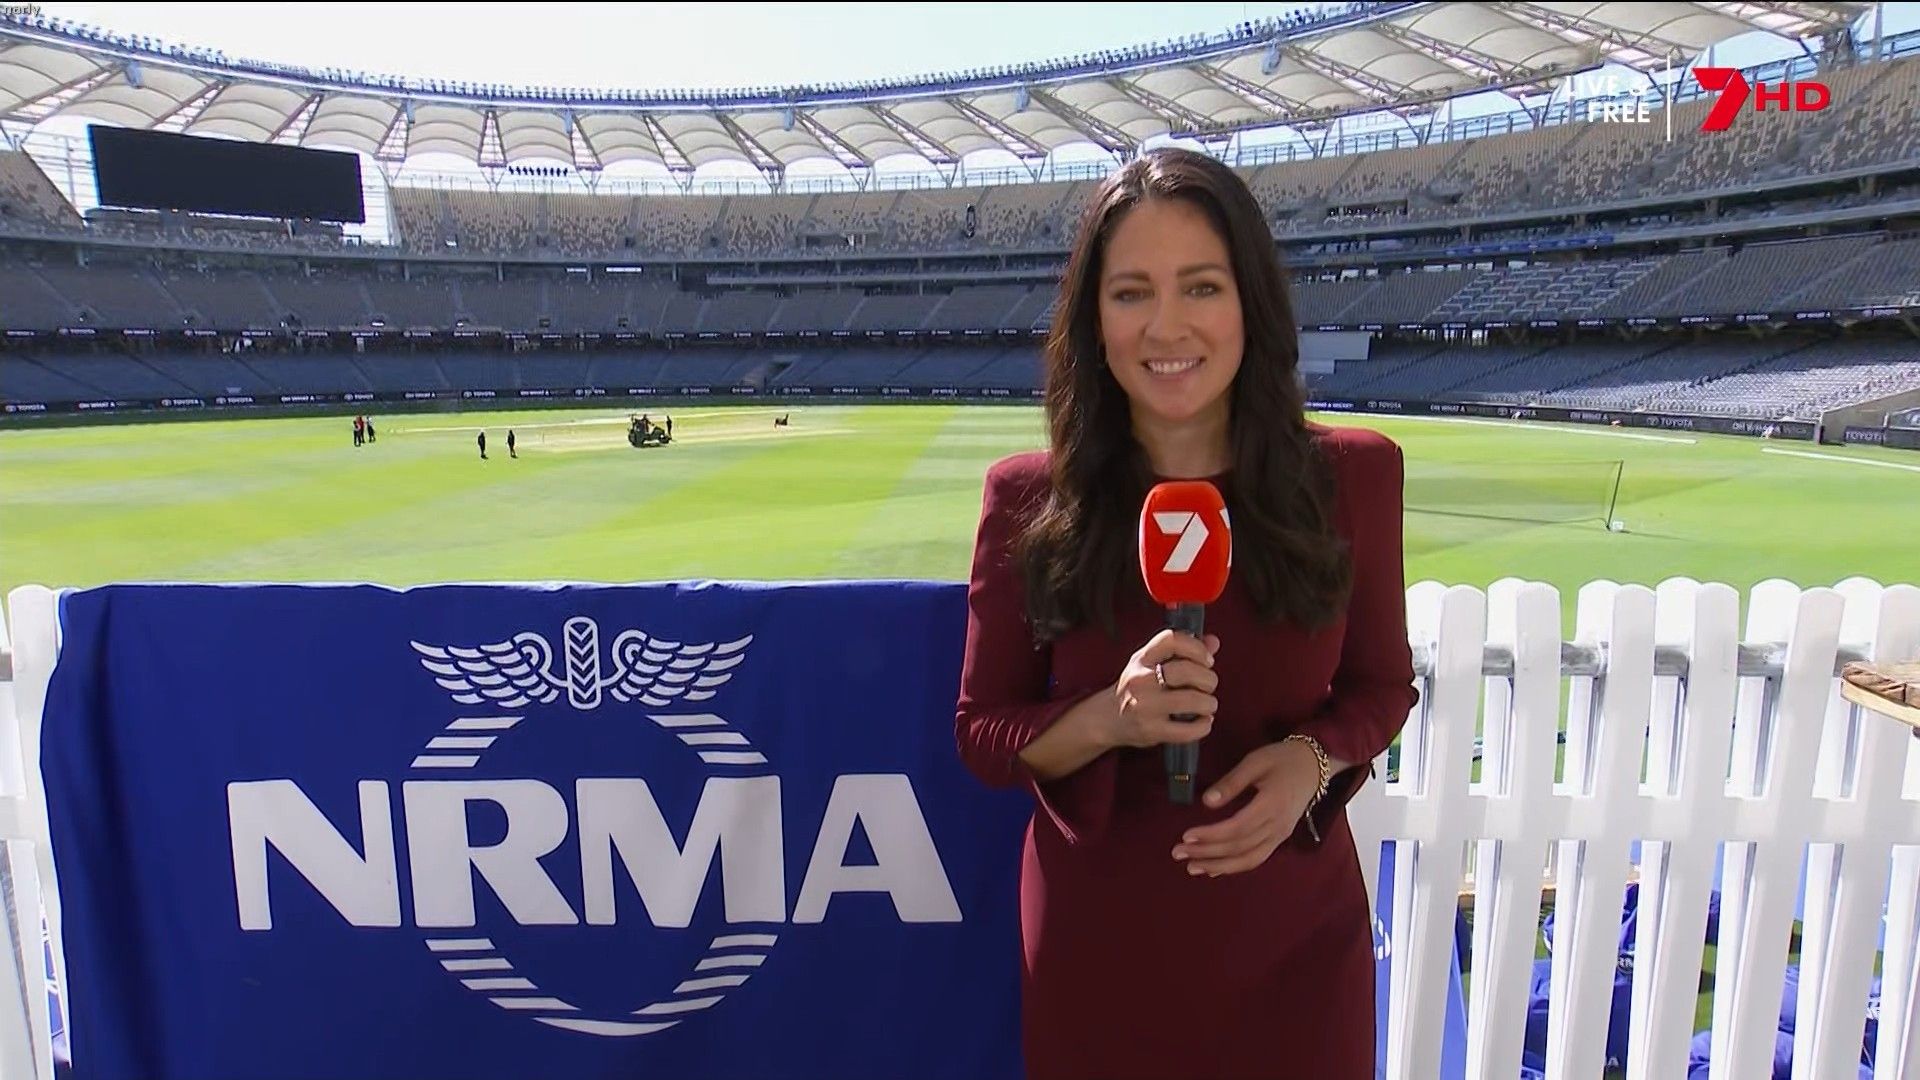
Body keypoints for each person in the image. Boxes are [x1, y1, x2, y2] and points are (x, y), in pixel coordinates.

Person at [953, 147, 1417, 1080]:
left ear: (1250, 302)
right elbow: (984, 734)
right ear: (1094, 320)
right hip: (1101, 951)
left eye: (1201, 286)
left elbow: (1382, 688)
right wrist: (1109, 718)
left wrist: (1312, 760)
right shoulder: (1028, 497)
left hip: (1295, 949)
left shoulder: (1355, 477)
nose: (1166, 326)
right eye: (1131, 293)